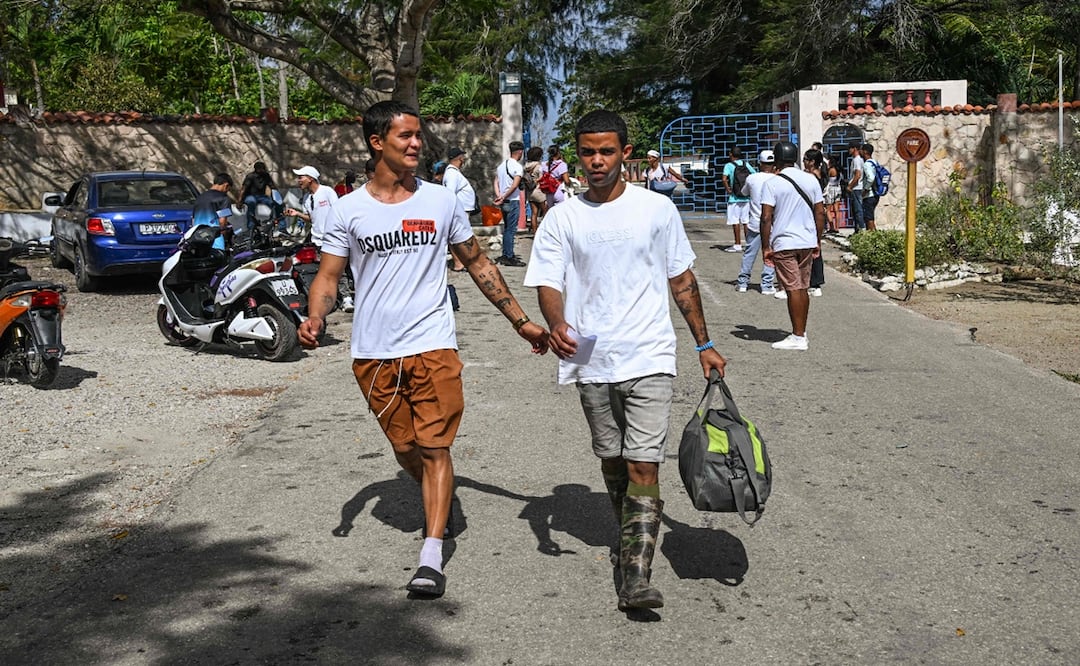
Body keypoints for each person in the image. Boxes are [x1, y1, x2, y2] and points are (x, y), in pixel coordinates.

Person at [297, 100, 549, 599]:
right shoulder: (348, 210)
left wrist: (520, 321)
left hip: (433, 342)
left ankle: (431, 554)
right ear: (376, 143)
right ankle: (438, 493)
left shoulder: (439, 201)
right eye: (405, 137)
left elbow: (477, 263)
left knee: (435, 446)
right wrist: (316, 315)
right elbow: (328, 276)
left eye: (418, 136)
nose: (416, 144)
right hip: (373, 349)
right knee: (405, 448)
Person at [524, 109, 727, 613]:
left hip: (649, 351)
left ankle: (635, 573)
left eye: (607, 151)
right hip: (590, 356)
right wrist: (557, 324)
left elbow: (681, 280)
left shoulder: (655, 210)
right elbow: (548, 281)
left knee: (643, 459)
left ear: (625, 153)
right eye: (588, 152)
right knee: (611, 457)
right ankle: (628, 531)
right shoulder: (563, 216)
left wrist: (703, 345)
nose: (596, 161)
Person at [761, 141, 826, 350]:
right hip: (807, 241)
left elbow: (766, 217)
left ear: (776, 160)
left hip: (784, 241)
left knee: (793, 288)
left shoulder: (772, 183)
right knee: (802, 287)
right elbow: (820, 212)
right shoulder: (811, 180)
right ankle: (802, 332)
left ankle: (798, 336)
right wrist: (817, 240)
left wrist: (766, 246)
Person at [284, 166, 351, 311]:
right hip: (316, 241)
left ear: (311, 178)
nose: (298, 180)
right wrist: (297, 214)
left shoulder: (327, 192)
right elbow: (311, 218)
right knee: (322, 271)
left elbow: (338, 210)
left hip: (333, 239)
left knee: (338, 269)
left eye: (301, 177)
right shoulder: (307, 199)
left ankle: (346, 298)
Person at [735, 150, 777, 295]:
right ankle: (766, 284)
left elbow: (744, 192)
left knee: (749, 253)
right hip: (772, 223)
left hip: (755, 221)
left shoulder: (752, 178)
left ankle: (742, 283)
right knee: (771, 253)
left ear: (760, 163)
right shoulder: (777, 179)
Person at [493, 140, 526, 267]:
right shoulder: (517, 167)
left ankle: (506, 253)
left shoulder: (501, 166)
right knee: (511, 230)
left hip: (504, 201)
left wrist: (499, 196)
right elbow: (515, 185)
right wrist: (505, 195)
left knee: (507, 228)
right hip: (512, 200)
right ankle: (509, 256)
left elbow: (495, 181)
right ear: (520, 152)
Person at [802, 149, 828, 297]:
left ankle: (815, 281)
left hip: (812, 214)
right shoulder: (820, 175)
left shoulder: (812, 177)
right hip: (816, 213)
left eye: (806, 159)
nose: (804, 161)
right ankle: (813, 280)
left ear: (812, 162)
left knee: (813, 248)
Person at [722, 147, 756, 252]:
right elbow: (754, 175)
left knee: (735, 221)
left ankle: (737, 244)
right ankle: (749, 244)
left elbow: (724, 178)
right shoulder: (746, 164)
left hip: (734, 197)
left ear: (731, 154)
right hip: (746, 197)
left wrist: (728, 188)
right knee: (746, 221)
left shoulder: (729, 165)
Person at [192, 172, 235, 251]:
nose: (227, 192)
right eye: (228, 190)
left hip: (198, 238)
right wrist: (225, 238)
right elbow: (222, 221)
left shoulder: (199, 198)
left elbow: (194, 219)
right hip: (215, 239)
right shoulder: (224, 199)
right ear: (226, 185)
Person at [239, 161, 277, 232]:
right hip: (250, 196)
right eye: (260, 169)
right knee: (251, 202)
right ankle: (251, 227)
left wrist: (276, 197)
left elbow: (272, 186)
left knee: (272, 203)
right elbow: (243, 188)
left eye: (263, 169)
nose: (262, 170)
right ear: (256, 169)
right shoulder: (250, 176)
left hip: (262, 196)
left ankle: (271, 223)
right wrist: (240, 200)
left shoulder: (266, 176)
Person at [442, 147, 479, 217]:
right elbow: (450, 192)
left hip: (462, 209)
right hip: (460, 210)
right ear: (460, 158)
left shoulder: (454, 172)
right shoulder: (452, 173)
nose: (464, 159)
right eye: (463, 156)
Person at [524, 146, 547, 230]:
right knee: (546, 211)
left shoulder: (526, 166)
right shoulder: (538, 166)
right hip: (538, 191)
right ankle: (544, 230)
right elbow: (541, 178)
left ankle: (535, 232)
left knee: (534, 213)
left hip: (530, 192)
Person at [860, 143, 880, 232]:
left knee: (869, 218)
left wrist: (865, 189)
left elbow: (871, 178)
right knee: (870, 216)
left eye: (861, 150)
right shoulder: (874, 162)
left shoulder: (867, 164)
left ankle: (873, 237)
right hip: (876, 193)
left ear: (865, 152)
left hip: (869, 195)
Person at [824, 151, 845, 234]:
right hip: (838, 189)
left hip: (831, 190)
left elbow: (826, 178)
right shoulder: (839, 170)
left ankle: (831, 226)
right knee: (837, 210)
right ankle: (837, 227)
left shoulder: (831, 170)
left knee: (828, 209)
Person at [847, 141, 866, 232]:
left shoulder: (857, 160)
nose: (849, 150)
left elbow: (857, 175)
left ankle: (861, 229)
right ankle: (857, 230)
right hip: (856, 188)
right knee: (855, 210)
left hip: (856, 188)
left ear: (854, 148)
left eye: (850, 148)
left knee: (858, 209)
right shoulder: (857, 160)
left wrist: (850, 186)